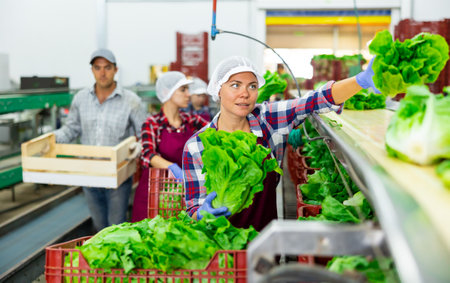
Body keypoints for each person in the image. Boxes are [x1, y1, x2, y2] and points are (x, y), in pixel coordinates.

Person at [182, 55, 379, 231]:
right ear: (218, 90)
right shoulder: (196, 145)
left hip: (266, 239)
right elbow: (192, 208)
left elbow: (314, 101)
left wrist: (360, 81)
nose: (245, 93)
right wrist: (200, 214)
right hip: (221, 247)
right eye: (235, 85)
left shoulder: (267, 120)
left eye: (252, 86)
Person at [54, 48, 147, 232]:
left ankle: (117, 261)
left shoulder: (131, 101)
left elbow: (144, 133)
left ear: (115, 69)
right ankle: (104, 261)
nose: (102, 73)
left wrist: (139, 146)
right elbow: (72, 128)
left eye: (107, 67)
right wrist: (52, 138)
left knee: (116, 226)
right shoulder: (81, 99)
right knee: (98, 226)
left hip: (118, 175)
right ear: (92, 70)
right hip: (89, 175)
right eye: (97, 68)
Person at [131, 71, 209, 222]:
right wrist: (173, 168)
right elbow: (147, 154)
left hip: (182, 192)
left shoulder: (191, 121)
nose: (188, 94)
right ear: (167, 92)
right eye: (183, 90)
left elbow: (215, 131)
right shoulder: (153, 123)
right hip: (154, 192)